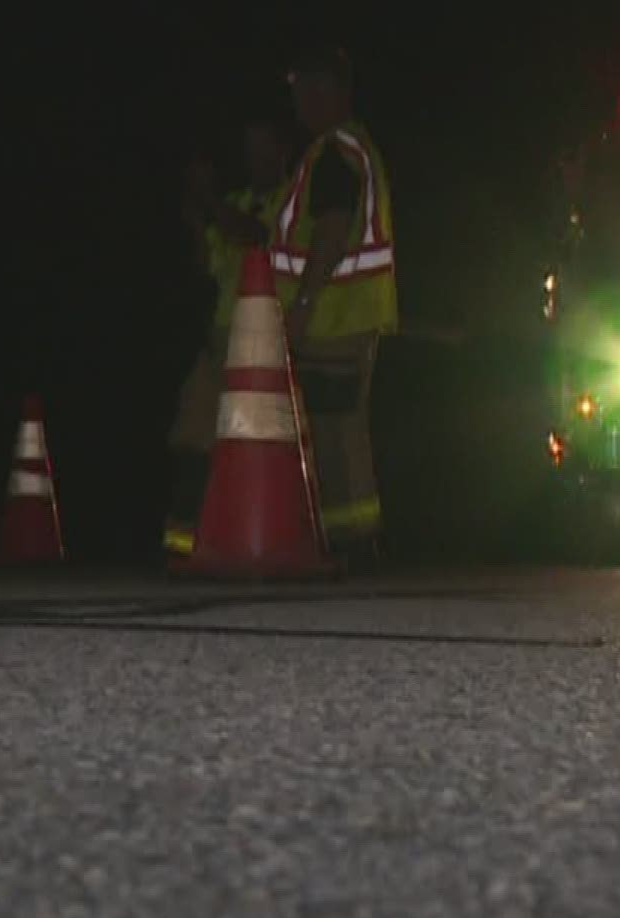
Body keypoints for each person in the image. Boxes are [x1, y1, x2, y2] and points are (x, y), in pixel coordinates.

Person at [273, 43, 398, 564]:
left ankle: (350, 544)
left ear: (325, 90)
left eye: (303, 89)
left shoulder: (334, 152)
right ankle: (353, 541)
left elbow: (329, 230)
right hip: (348, 316)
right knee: (340, 430)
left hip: (333, 319)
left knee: (334, 433)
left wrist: (302, 304)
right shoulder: (351, 146)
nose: (297, 102)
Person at [166, 118, 292, 557]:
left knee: (258, 446)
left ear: (281, 151)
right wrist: (196, 221)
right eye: (249, 147)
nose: (255, 158)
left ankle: (264, 542)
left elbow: (255, 237)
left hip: (264, 347)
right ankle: (181, 546)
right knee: (191, 436)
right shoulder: (238, 200)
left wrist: (211, 201)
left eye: (263, 146)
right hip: (220, 339)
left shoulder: (290, 200)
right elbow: (210, 266)